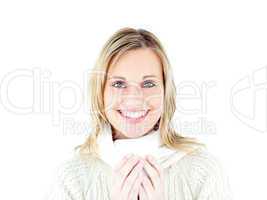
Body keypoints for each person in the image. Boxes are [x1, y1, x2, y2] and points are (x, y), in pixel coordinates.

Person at [48, 27, 233, 200]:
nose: (134, 98)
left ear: (165, 92)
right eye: (118, 84)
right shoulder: (71, 179)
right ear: (100, 92)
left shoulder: (204, 173)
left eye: (149, 84)